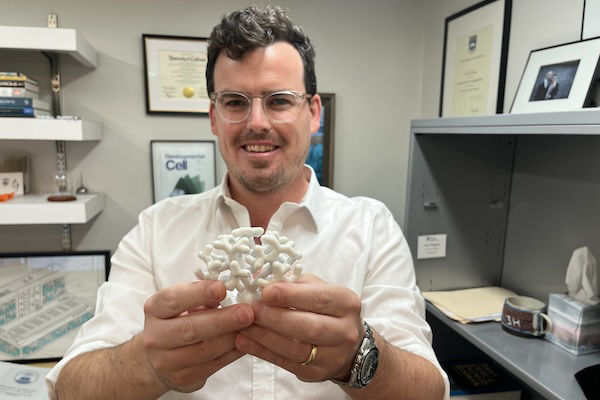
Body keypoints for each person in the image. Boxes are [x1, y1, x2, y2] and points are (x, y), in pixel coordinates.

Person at [48, 5, 448, 400]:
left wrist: (356, 358)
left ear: (312, 113)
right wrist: (146, 363)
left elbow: (430, 390)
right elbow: (69, 388)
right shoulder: (156, 228)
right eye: (235, 102)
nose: (257, 121)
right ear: (213, 117)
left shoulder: (371, 227)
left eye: (278, 100)